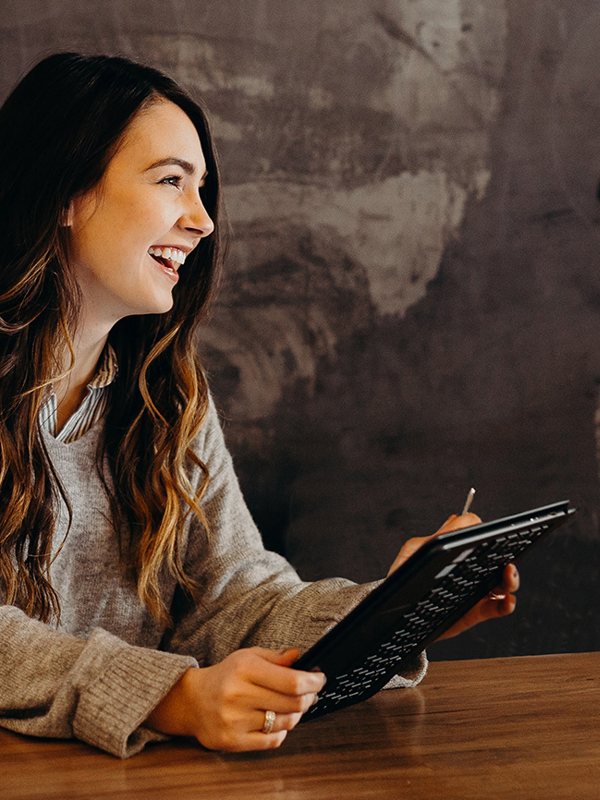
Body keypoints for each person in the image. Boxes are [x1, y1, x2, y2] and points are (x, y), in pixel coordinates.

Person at [0, 53, 519, 759]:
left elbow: (233, 600)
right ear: (65, 192)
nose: (203, 220)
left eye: (203, 189)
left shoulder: (167, 392)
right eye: (171, 181)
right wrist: (172, 698)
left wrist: (392, 613)